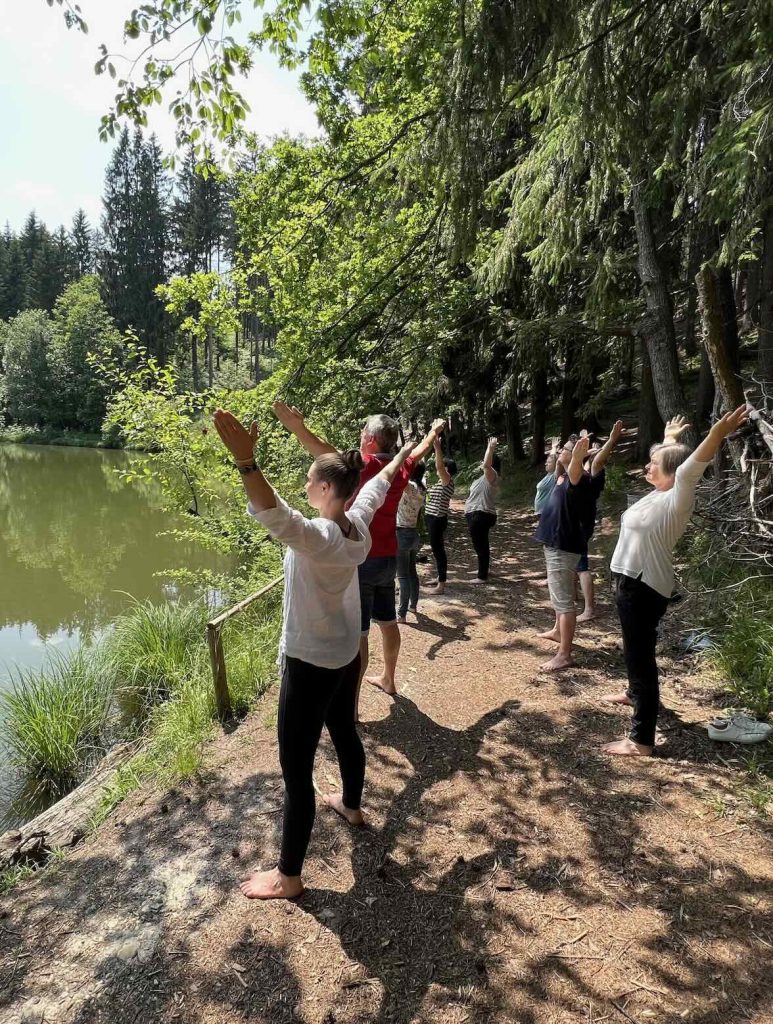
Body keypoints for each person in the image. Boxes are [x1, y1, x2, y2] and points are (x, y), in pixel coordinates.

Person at [213, 406, 415, 900]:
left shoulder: (320, 536)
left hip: (309, 663)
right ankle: (351, 805)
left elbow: (276, 516)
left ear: (326, 490)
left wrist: (246, 463)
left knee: (296, 770)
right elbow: (378, 482)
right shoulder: (357, 525)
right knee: (344, 729)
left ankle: (289, 876)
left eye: (310, 481)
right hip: (346, 653)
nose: (306, 486)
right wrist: (403, 454)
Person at [271, 402, 446, 713]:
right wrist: (432, 432)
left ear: (370, 440)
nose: (360, 435)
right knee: (388, 621)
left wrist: (298, 428)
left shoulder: (365, 465)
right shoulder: (401, 466)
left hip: (361, 559)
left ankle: (350, 706)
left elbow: (326, 454)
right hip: (388, 557)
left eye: (363, 432)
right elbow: (417, 451)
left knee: (359, 633)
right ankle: (389, 679)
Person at [601, 406, 748, 756]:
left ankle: (641, 740)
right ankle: (635, 693)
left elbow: (688, 469)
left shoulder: (677, 499)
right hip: (629, 582)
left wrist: (715, 435)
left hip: (644, 587)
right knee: (634, 649)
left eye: (655, 463)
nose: (647, 466)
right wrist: (668, 441)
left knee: (640, 657)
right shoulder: (658, 494)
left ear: (671, 472)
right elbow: (669, 463)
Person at [535, 424, 622, 671]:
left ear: (577, 457)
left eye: (564, 449)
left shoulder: (580, 478)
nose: (559, 452)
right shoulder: (567, 473)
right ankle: (556, 631)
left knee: (564, 601)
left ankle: (564, 654)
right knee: (559, 596)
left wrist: (585, 452)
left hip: (563, 545)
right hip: (555, 542)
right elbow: (575, 464)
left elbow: (590, 465)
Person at [464, 436, 501, 583]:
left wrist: (490, 449)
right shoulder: (483, 478)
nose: (482, 462)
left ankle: (482, 576)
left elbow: (486, 465)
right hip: (476, 514)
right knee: (481, 544)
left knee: (480, 544)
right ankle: (483, 568)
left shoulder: (492, 475)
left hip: (481, 515)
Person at [424, 436, 457, 595]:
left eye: (442, 467)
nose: (438, 469)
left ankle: (441, 585)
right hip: (433, 519)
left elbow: (439, 466)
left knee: (439, 550)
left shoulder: (447, 480)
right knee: (437, 549)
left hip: (437, 520)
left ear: (447, 470)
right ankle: (440, 577)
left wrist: (437, 448)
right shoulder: (441, 483)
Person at [396, 460, 427, 622]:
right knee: (412, 572)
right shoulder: (422, 488)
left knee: (402, 577)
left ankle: (401, 613)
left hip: (401, 533)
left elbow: (397, 475)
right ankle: (413, 605)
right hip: (413, 534)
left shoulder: (410, 487)